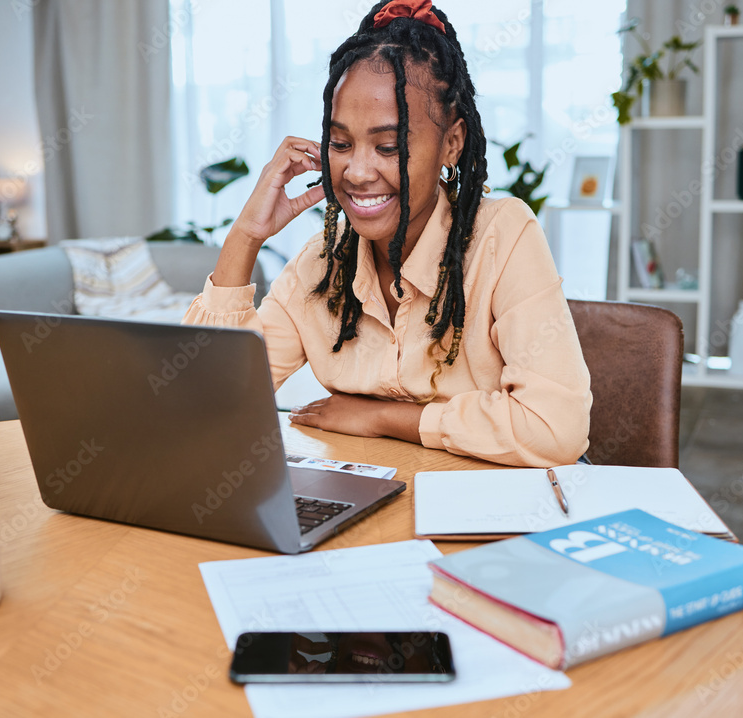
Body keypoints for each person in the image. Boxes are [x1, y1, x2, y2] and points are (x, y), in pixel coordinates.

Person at [184, 0, 591, 467]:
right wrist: (246, 235)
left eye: (388, 146)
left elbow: (555, 429)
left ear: (451, 143)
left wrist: (382, 417)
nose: (357, 171)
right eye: (339, 143)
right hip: (374, 505)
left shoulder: (503, 235)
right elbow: (205, 407)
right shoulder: (321, 263)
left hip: (487, 510)